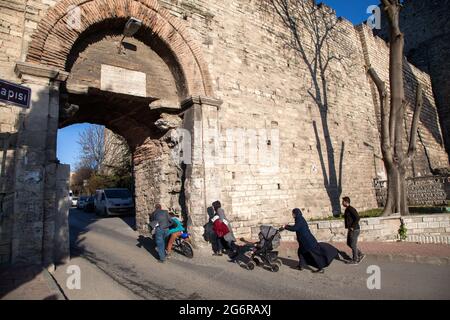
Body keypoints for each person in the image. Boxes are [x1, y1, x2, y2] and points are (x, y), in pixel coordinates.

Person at [281, 208, 339, 273]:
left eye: (293, 213)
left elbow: (295, 228)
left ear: (295, 213)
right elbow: (296, 226)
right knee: (301, 252)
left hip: (307, 241)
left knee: (314, 255)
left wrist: (285, 227)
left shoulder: (299, 219)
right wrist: (287, 225)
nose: (292, 214)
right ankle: (301, 266)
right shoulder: (299, 218)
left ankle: (321, 268)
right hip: (304, 241)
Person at [342, 197, 365, 265]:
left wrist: (352, 226)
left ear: (346, 202)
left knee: (353, 244)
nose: (342, 203)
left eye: (343, 201)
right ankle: (360, 254)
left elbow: (357, 217)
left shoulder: (351, 209)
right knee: (349, 243)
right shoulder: (347, 209)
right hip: (351, 229)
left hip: (354, 229)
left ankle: (355, 260)